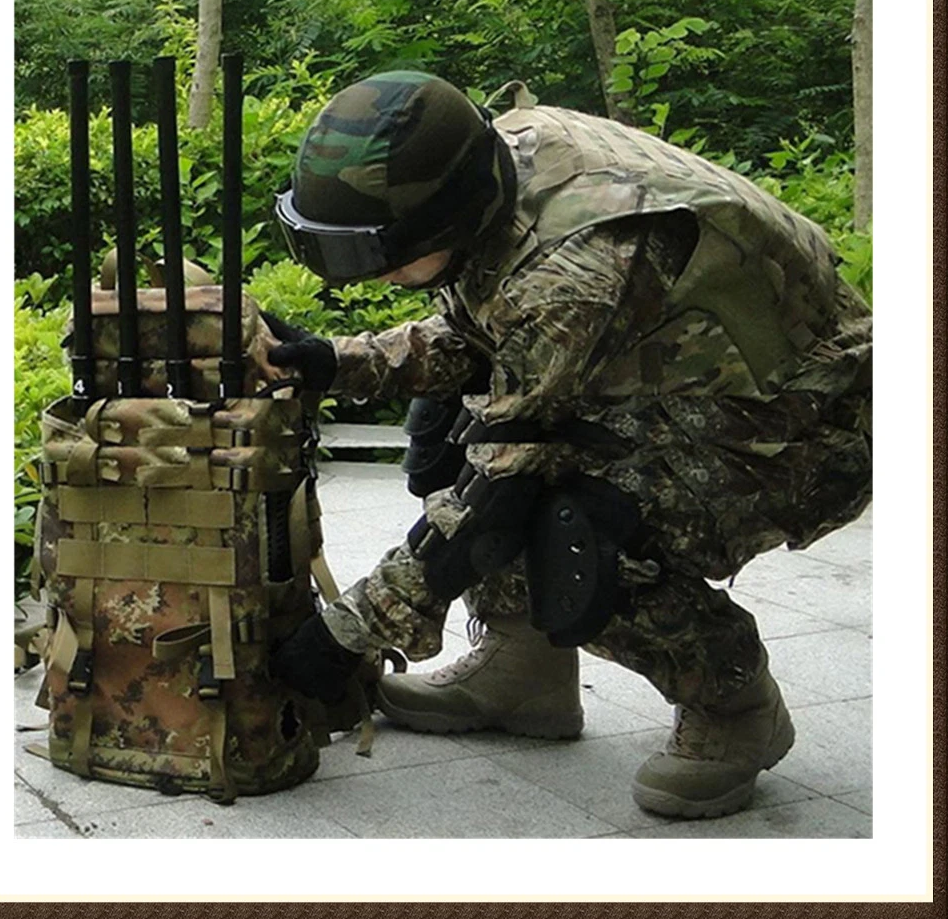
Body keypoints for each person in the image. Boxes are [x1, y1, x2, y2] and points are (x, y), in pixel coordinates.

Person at [266, 71, 872, 819]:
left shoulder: (578, 270)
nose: (379, 277)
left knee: (573, 523)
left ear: (448, 216)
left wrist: (345, 634)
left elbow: (495, 494)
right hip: (689, 378)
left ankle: (734, 701)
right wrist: (338, 361)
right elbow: (483, 327)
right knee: (450, 437)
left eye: (382, 255)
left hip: (806, 424)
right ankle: (524, 674)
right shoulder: (500, 162)